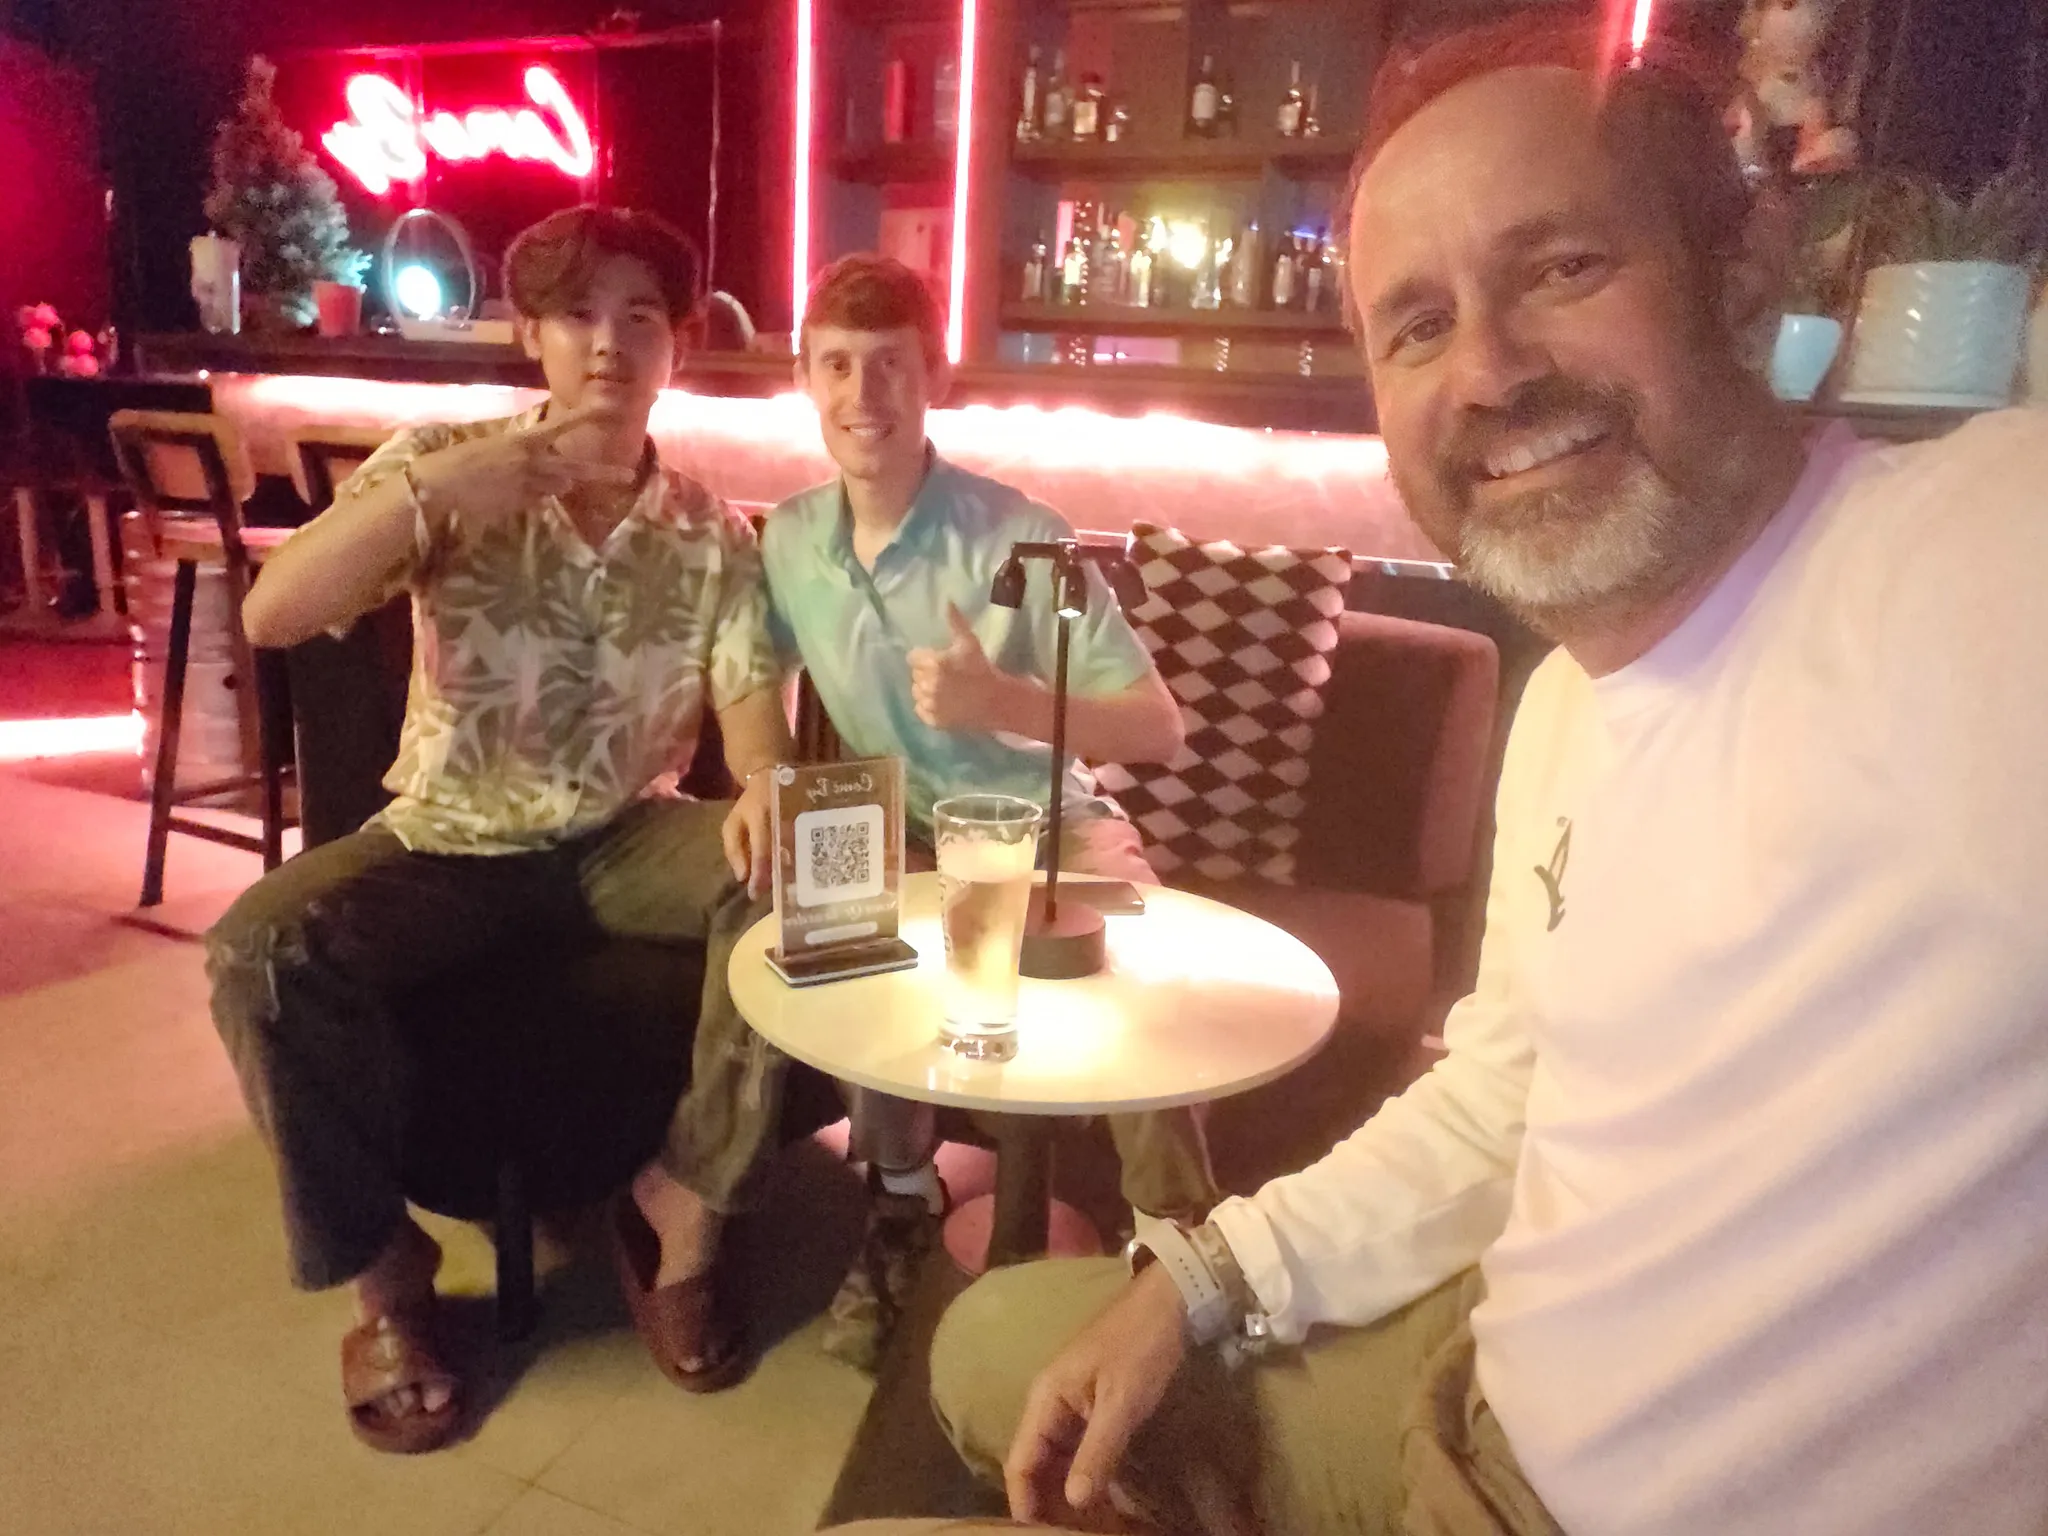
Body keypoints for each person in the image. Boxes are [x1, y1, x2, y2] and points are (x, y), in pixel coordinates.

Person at [863, 11, 2048, 1535]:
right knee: (991, 1344)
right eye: (1416, 325)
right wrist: (1203, 1280)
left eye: (1563, 268)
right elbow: (1503, 1091)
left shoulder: (1960, 569)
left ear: (1741, 270)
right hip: (1480, 1385)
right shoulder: (1565, 707)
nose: (1488, 373)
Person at [206, 206, 794, 1454]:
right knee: (261, 949)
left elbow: (752, 712)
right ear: (531, 332)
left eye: (641, 317)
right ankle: (385, 1281)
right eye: (578, 314)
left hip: (630, 836)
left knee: (814, 882)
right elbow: (273, 611)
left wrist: (766, 789)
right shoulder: (447, 461)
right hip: (451, 841)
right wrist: (427, 495)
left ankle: (681, 1210)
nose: (608, 343)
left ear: (678, 346)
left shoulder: (709, 528)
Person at [761, 254, 1219, 1369]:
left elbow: (1153, 726)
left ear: (937, 380)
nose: (862, 394)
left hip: (1042, 819)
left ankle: (1185, 1257)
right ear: (804, 379)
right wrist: (768, 785)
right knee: (835, 941)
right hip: (896, 822)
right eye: (836, 365)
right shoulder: (787, 541)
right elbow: (751, 675)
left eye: (890, 366)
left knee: (1142, 976)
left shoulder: (1021, 538)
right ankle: (901, 1204)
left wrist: (999, 699)